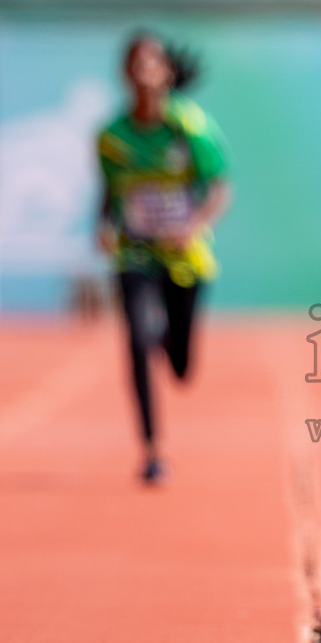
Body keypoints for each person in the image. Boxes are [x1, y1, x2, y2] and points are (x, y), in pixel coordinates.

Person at [97, 33, 232, 486]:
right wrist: (103, 224)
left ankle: (166, 340)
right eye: (135, 62)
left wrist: (192, 224)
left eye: (152, 62)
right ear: (125, 72)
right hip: (134, 252)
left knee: (179, 365)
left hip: (184, 259)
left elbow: (218, 188)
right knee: (134, 342)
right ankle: (152, 451)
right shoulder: (111, 137)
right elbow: (109, 192)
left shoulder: (189, 126)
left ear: (167, 72)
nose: (143, 70)